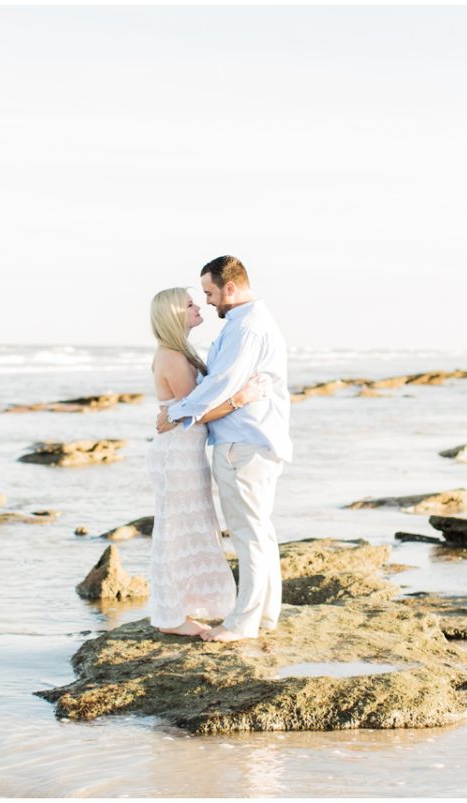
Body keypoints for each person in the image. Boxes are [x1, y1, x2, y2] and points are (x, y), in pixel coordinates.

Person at [157, 255, 292, 643]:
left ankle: (243, 623)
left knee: (249, 534)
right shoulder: (245, 324)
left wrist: (177, 413)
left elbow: (223, 384)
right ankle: (265, 614)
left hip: (243, 444)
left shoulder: (246, 328)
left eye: (210, 292)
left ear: (229, 287)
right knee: (260, 531)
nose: (208, 301)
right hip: (253, 441)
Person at [148, 286, 266, 637]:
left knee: (191, 527)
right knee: (177, 531)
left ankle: (181, 610)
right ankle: (171, 617)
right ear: (173, 314)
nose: (197, 306)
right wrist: (241, 399)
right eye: (189, 304)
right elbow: (196, 413)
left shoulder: (181, 351)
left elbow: (188, 410)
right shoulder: (171, 356)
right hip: (177, 455)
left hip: (185, 453)